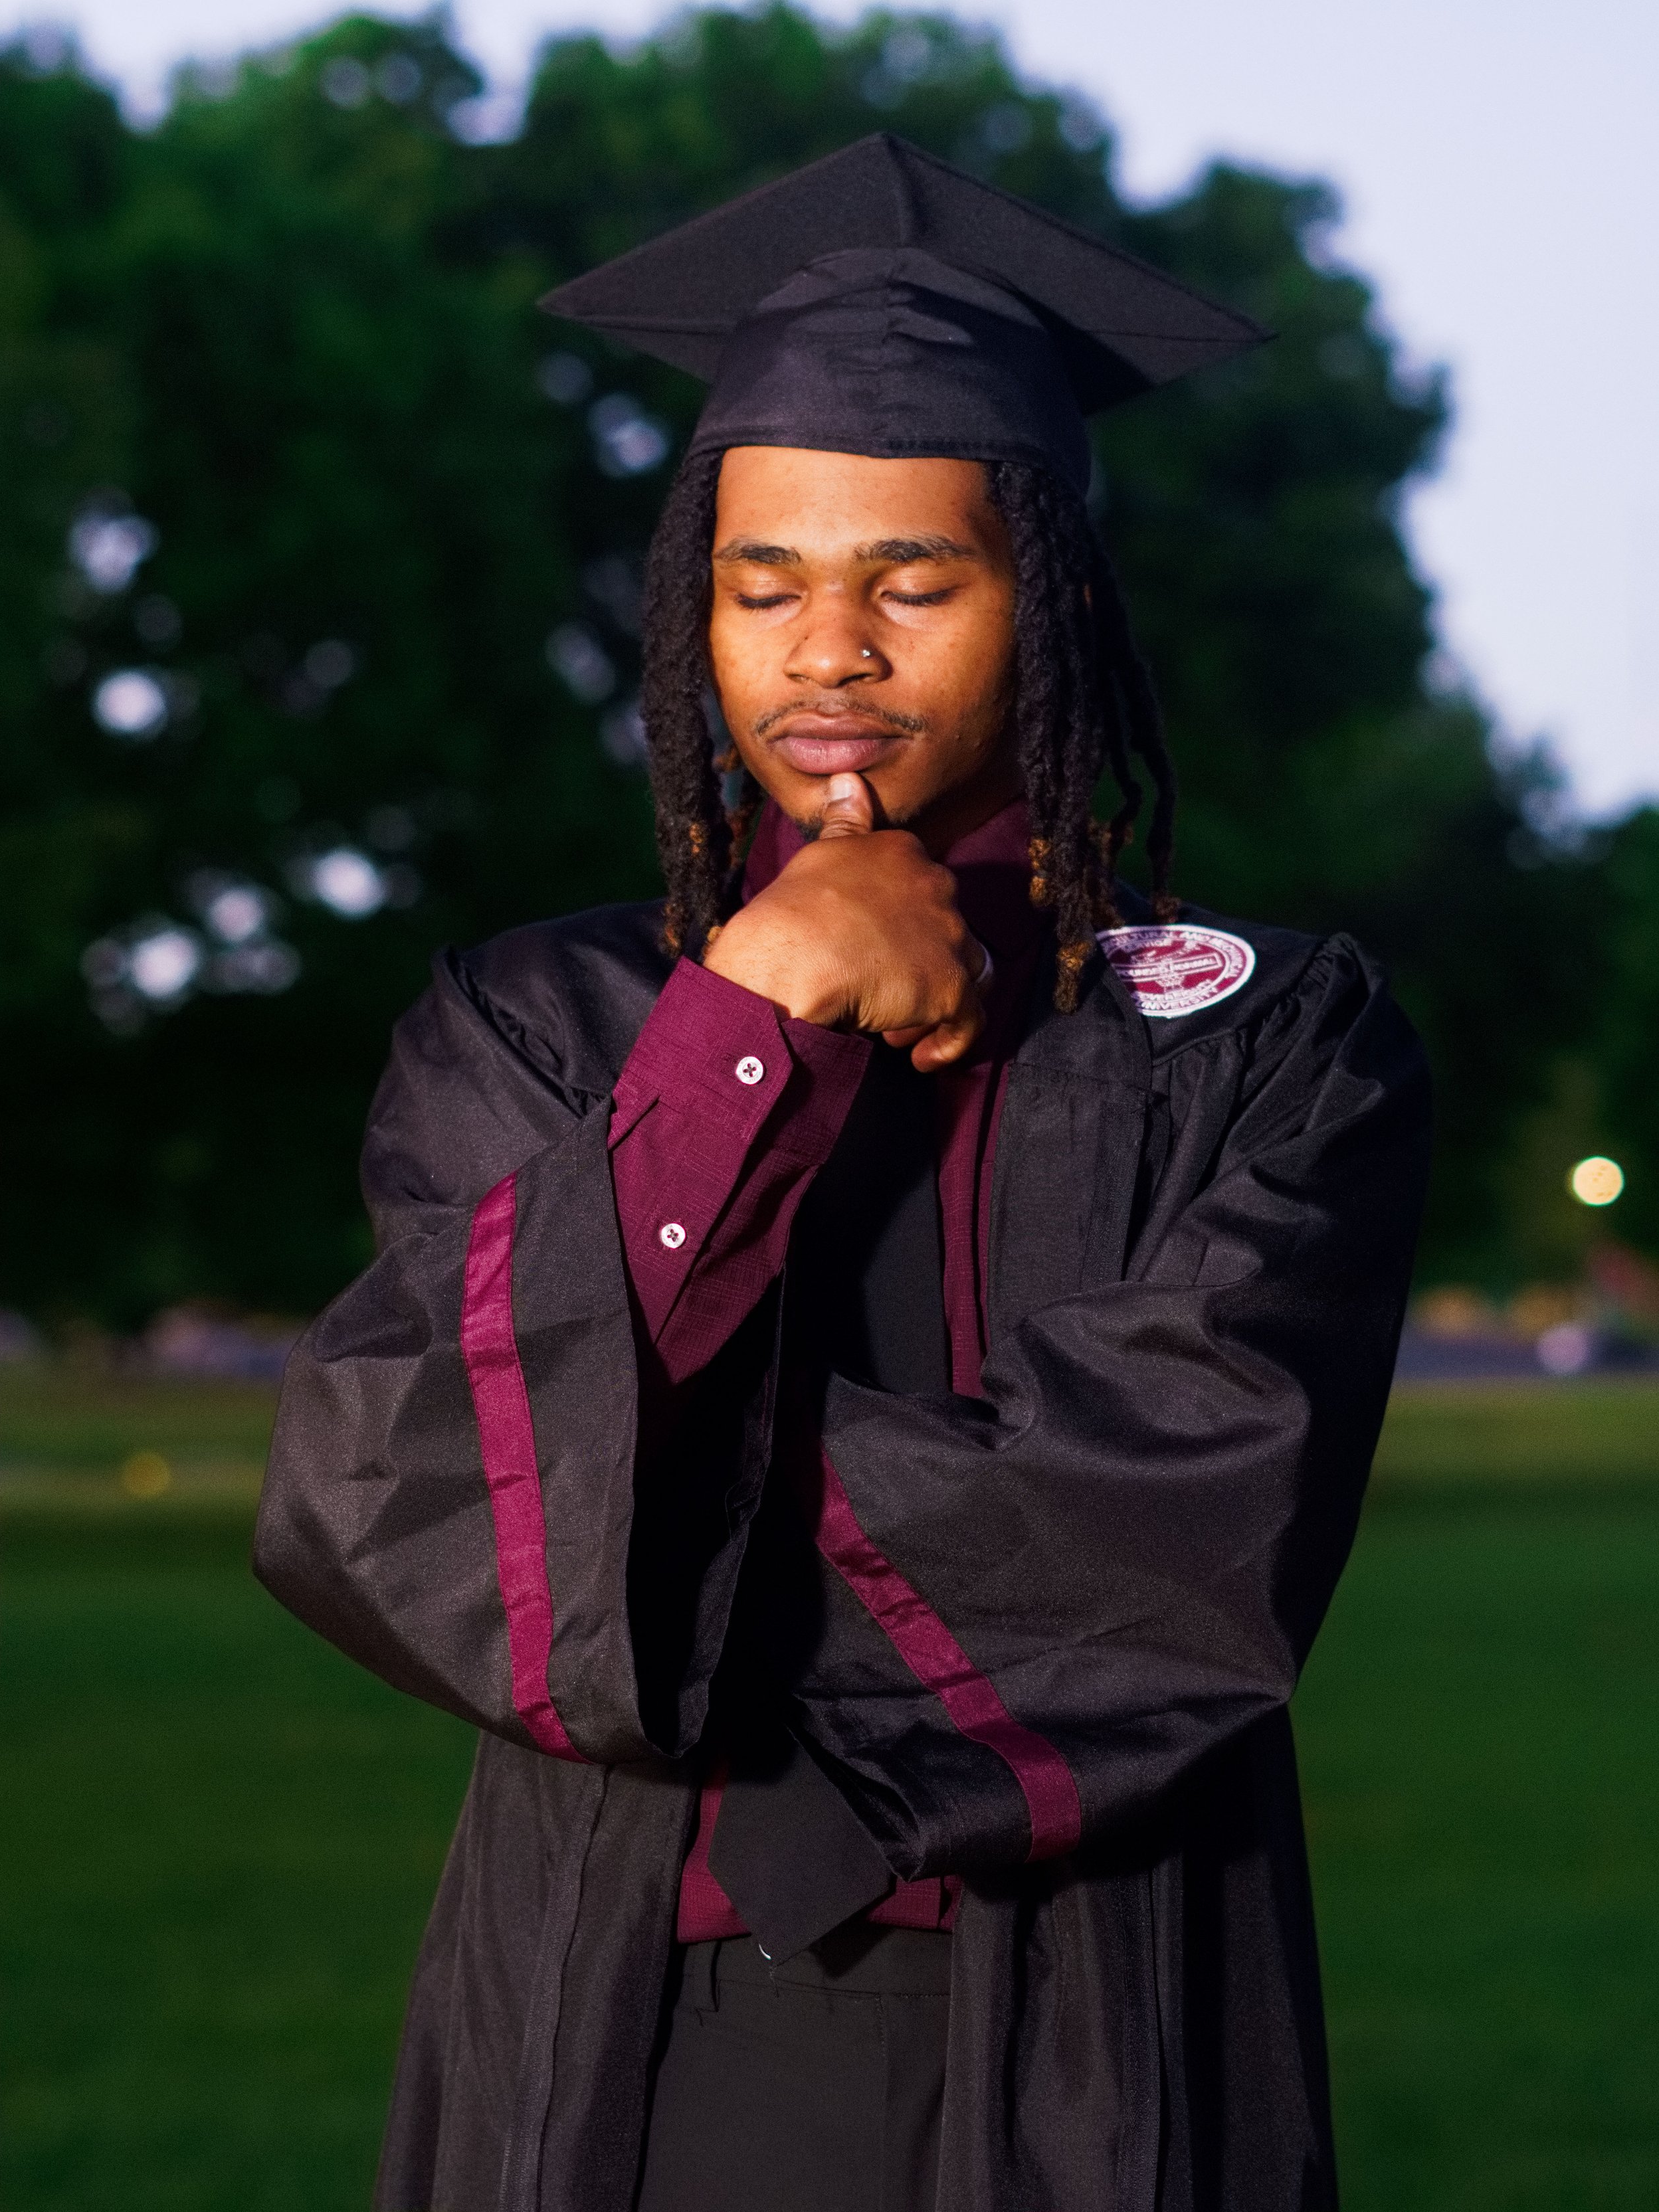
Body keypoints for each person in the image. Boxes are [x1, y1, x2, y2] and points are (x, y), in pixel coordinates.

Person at [255, 134, 1432, 2212]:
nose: (827, 654)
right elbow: (390, 1490)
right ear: (688, 606)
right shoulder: (533, 1030)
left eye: (912, 577)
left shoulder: (1259, 1043)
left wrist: (656, 1505)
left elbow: (1170, 1546)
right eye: (761, 580)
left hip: (1091, 2010)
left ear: (1047, 592)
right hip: (622, 2012)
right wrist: (750, 1017)